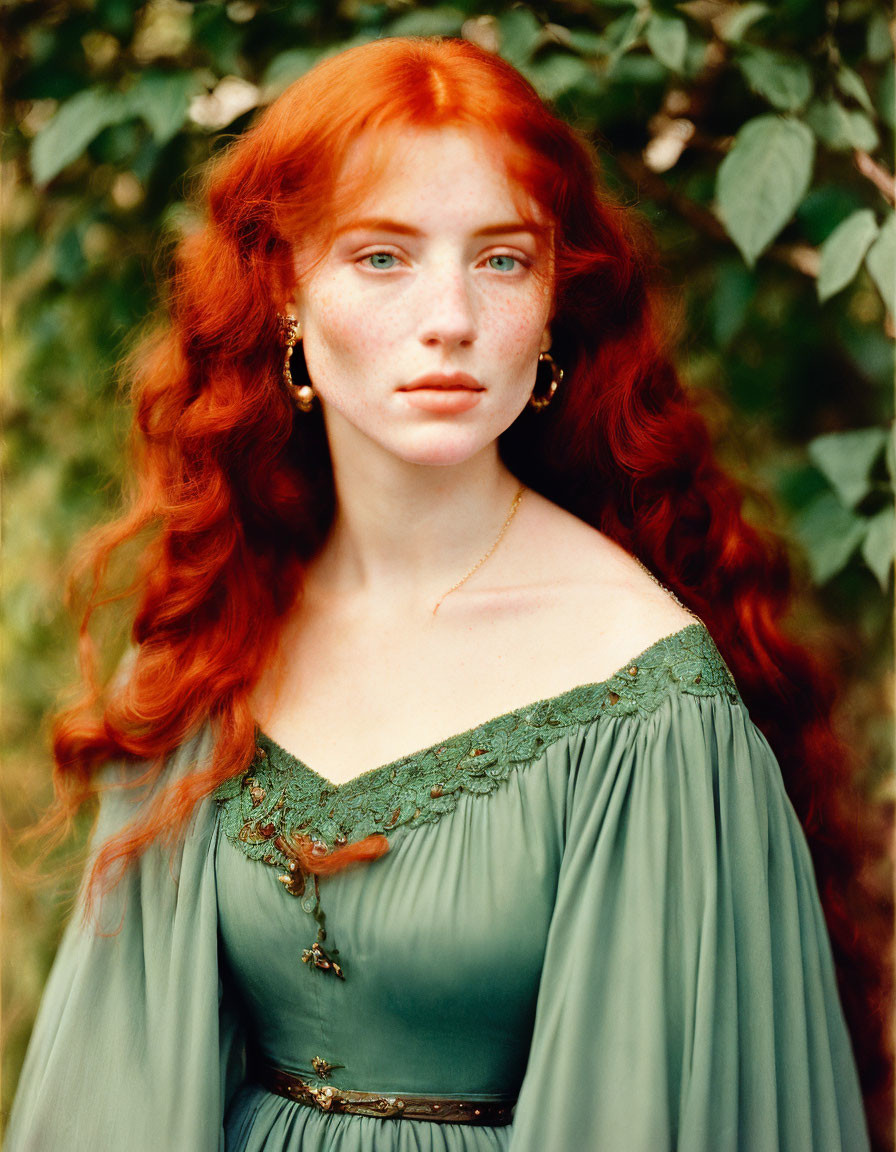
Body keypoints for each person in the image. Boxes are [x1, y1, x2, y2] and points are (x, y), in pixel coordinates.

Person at [6, 34, 878, 1152]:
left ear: (556, 302)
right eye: (382, 257)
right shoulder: (217, 627)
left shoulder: (650, 704)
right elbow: (115, 1080)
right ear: (285, 289)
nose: (450, 318)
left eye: (501, 260)